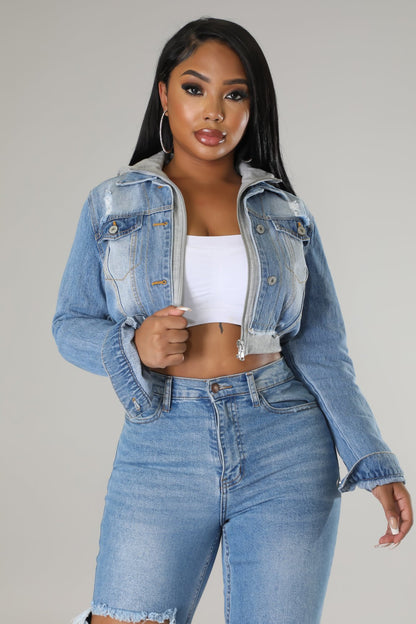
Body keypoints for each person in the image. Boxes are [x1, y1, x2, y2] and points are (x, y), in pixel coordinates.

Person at [52, 17, 413, 624]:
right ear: (164, 93)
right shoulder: (112, 203)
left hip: (286, 443)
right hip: (162, 441)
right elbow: (69, 324)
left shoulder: (286, 211)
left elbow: (322, 350)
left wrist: (372, 459)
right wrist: (133, 345)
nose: (214, 112)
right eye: (194, 89)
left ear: (253, 106)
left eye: (235, 94)